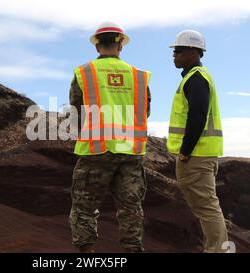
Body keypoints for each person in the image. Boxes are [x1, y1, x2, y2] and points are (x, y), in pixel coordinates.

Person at [69, 22, 151, 253]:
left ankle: (86, 254)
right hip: (131, 151)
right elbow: (145, 112)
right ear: (120, 45)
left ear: (97, 47)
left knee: (84, 207)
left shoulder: (84, 73)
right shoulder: (139, 76)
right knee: (130, 207)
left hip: (96, 150)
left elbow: (76, 110)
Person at [166, 29, 228, 252]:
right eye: (174, 52)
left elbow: (198, 115)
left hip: (196, 155)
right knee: (207, 206)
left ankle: (217, 250)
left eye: (179, 51)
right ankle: (217, 248)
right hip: (201, 155)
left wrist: (185, 151)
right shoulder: (197, 77)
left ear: (193, 51)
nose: (175, 56)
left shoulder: (197, 78)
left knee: (207, 207)